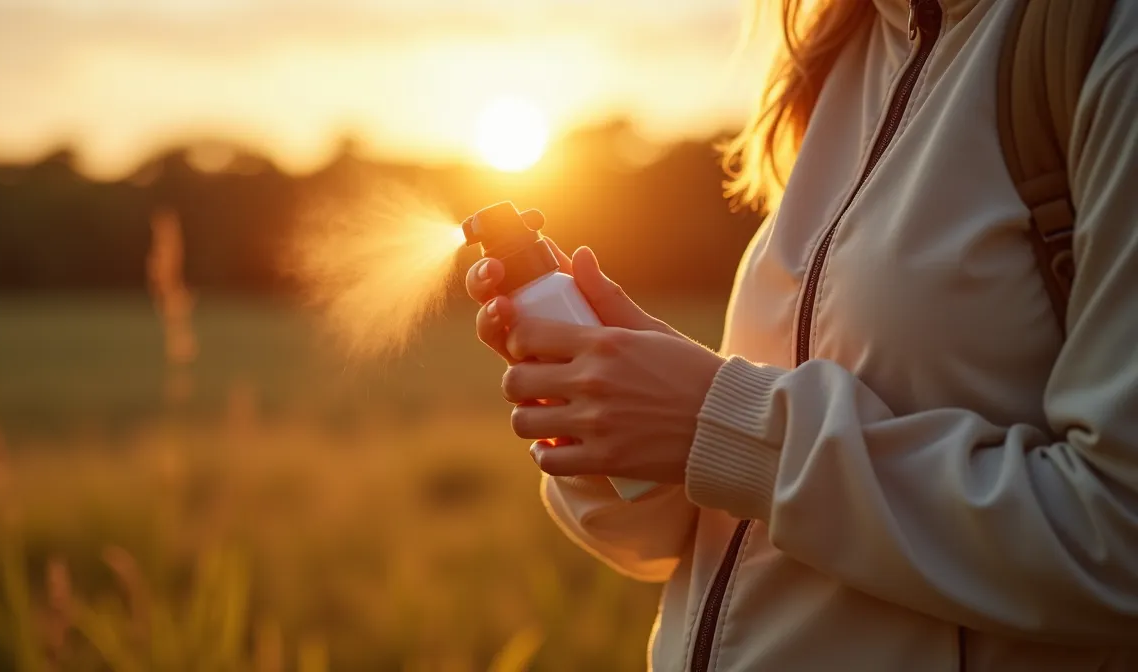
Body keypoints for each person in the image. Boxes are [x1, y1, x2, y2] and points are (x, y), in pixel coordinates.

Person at [465, 0, 1138, 669]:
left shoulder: (1103, 47)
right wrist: (608, 408)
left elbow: (1120, 542)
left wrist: (720, 425)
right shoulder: (838, 52)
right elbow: (689, 539)